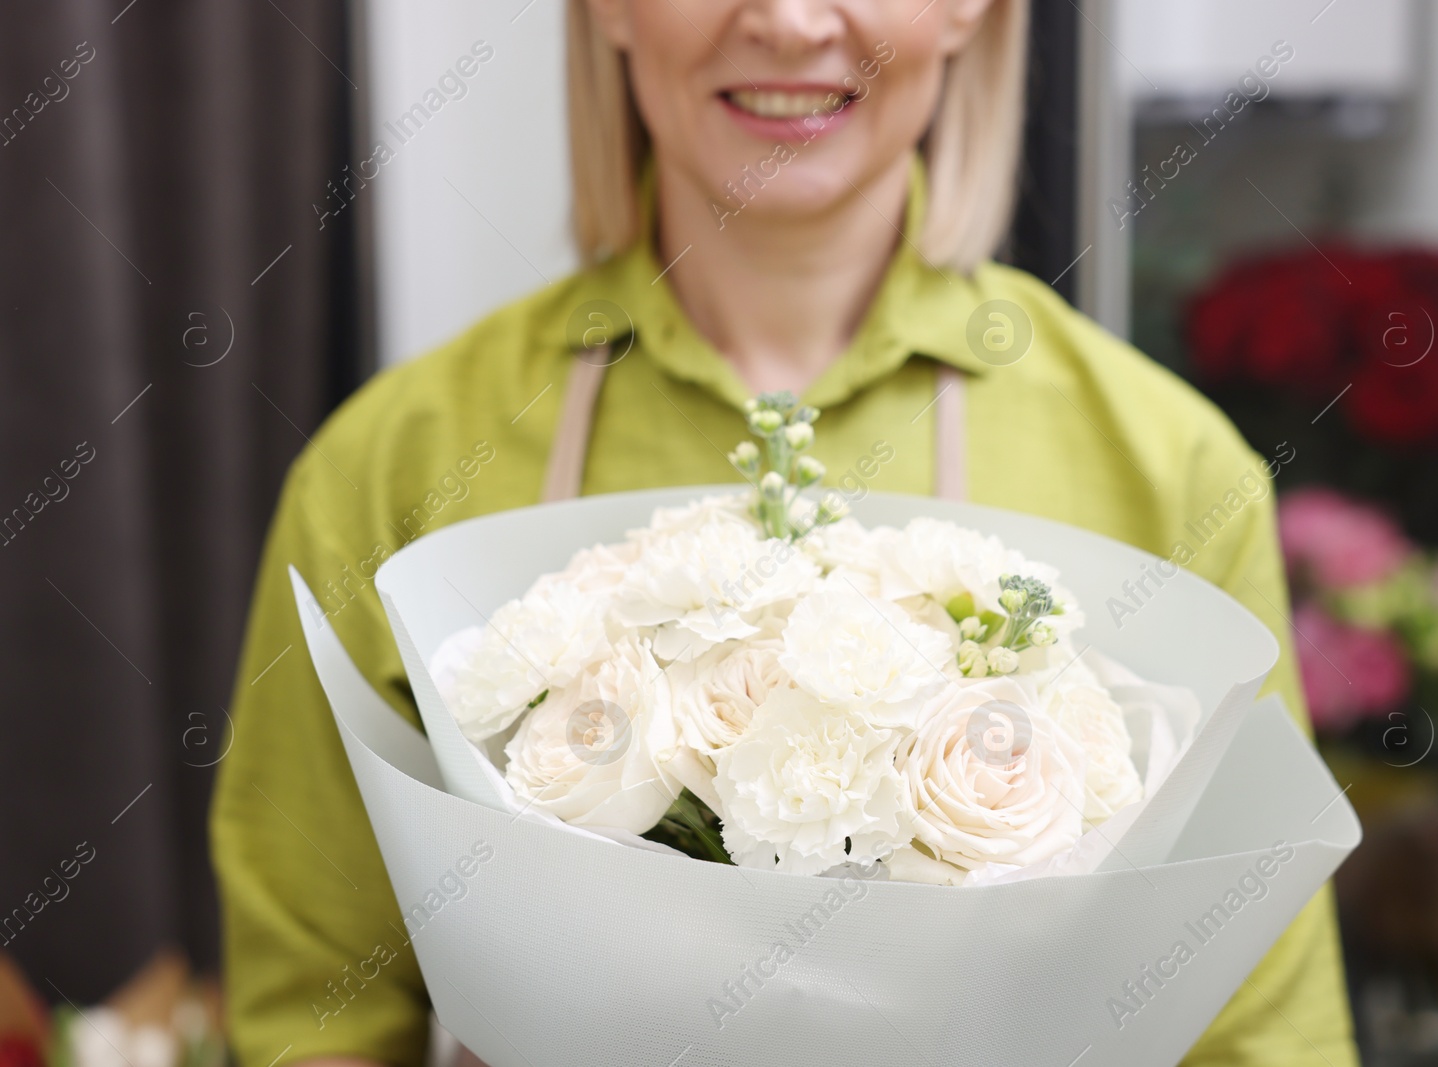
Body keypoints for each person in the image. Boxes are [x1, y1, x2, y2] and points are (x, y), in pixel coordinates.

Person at [211, 1, 1359, 1065]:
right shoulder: (390, 468)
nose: (791, 20)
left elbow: (1259, 1036)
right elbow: (315, 1010)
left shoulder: (1168, 472)